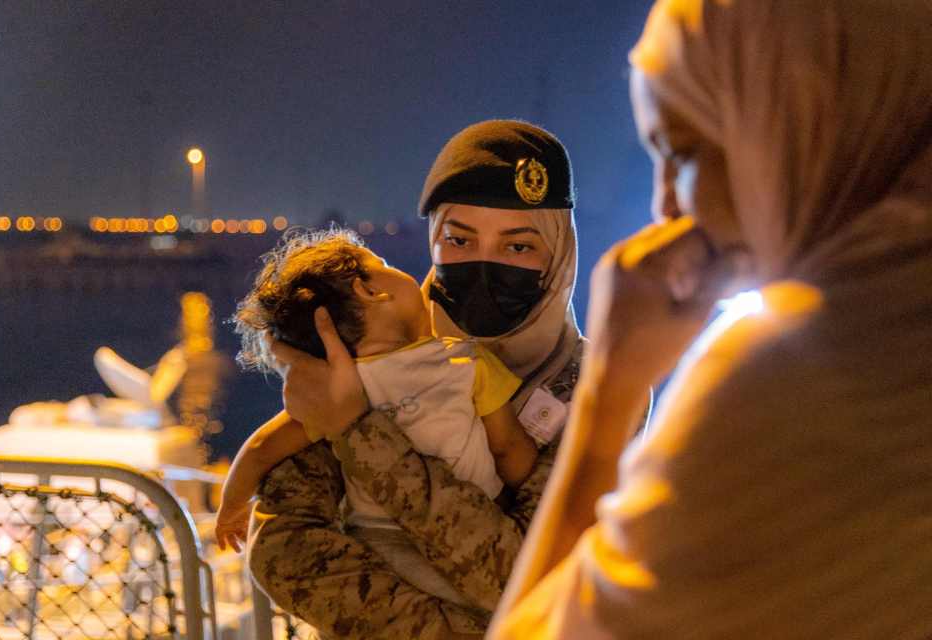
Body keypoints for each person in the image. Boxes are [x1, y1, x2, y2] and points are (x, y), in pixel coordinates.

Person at [490, 0, 932, 637]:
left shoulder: (804, 379)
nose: (666, 205)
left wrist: (607, 395)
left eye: (686, 151)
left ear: (794, 121)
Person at [246, 120, 588, 639]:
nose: (484, 264)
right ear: (433, 240)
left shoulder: (594, 390)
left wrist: (357, 429)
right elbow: (283, 547)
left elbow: (531, 578)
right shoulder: (363, 340)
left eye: (518, 247)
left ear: (558, 252)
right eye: (459, 239)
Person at [214, 229, 538, 603]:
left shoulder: (340, 391)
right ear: (370, 291)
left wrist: (231, 509)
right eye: (382, 264)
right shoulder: (466, 361)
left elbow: (261, 447)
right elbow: (509, 448)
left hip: (381, 546)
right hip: (473, 532)